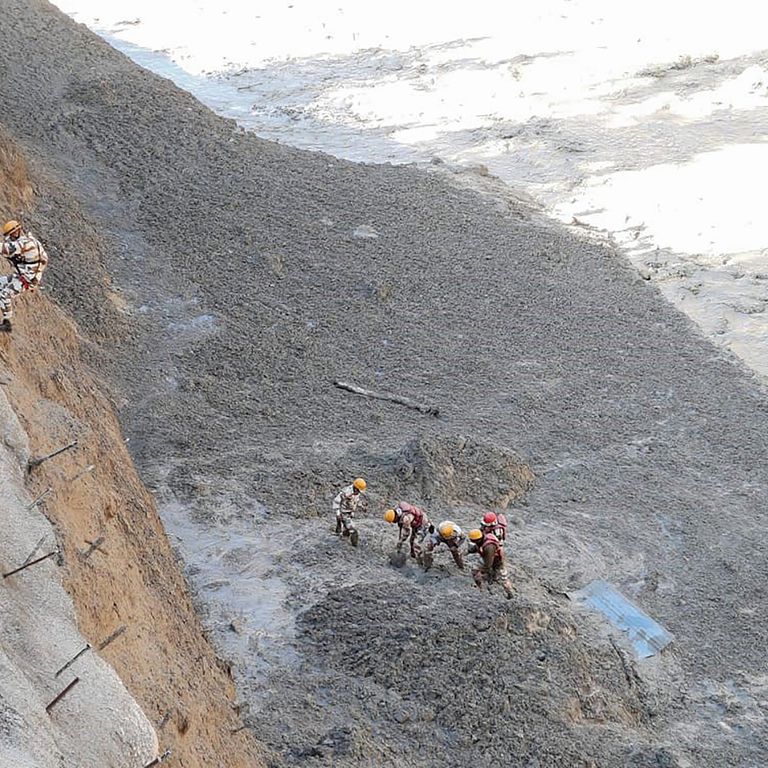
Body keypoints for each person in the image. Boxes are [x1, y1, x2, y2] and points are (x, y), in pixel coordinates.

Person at [0, 220, 49, 332]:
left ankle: (7, 323)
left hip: (26, 280)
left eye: (11, 235)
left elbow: (6, 249)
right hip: (23, 277)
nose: (10, 238)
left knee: (4, 294)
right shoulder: (30, 241)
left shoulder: (24, 244)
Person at [467, 528, 514, 599]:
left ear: (477, 540)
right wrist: (468, 551)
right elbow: (476, 547)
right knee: (475, 570)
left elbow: (488, 564)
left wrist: (481, 572)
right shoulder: (482, 539)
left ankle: (510, 594)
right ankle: (482, 587)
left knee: (503, 579)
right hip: (489, 559)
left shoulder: (489, 547)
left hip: (497, 562)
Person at [332, 477, 367, 546]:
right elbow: (336, 501)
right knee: (352, 529)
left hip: (350, 512)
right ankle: (354, 544)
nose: (359, 493)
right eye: (359, 491)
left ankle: (343, 534)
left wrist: (362, 507)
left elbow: (356, 501)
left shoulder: (356, 493)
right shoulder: (346, 492)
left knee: (346, 526)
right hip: (343, 512)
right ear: (355, 488)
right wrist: (338, 513)